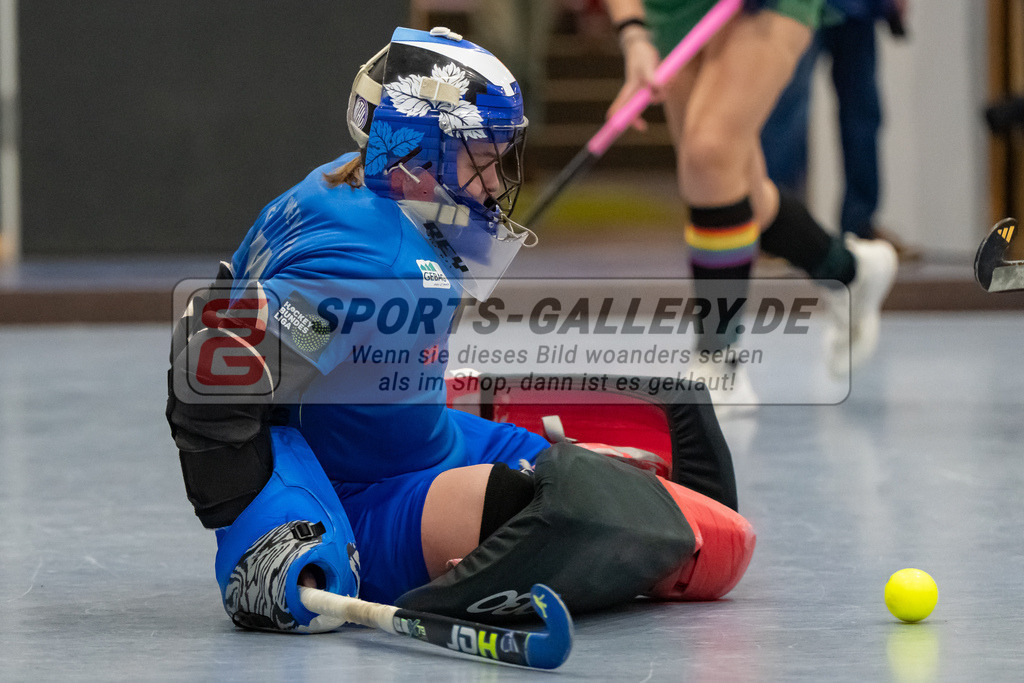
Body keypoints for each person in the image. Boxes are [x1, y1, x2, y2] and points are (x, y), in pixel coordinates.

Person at [166, 26, 755, 634]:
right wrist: (265, 528)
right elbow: (211, 376)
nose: (496, 184)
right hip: (370, 497)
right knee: (661, 533)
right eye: (482, 159)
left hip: (428, 438)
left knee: (701, 494)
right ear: (421, 150)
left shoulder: (354, 181)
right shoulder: (371, 265)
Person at [603, 0, 898, 386]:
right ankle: (850, 271)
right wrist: (634, 35)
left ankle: (718, 360)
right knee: (735, 190)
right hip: (670, 9)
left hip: (766, 6)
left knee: (709, 153)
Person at [761, 0, 916, 256]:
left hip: (860, 9)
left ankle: (860, 226)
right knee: (788, 115)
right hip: (801, 8)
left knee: (863, 114)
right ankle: (774, 228)